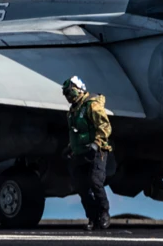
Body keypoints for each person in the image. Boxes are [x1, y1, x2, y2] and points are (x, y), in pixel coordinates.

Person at [63, 75, 111, 231]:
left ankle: (104, 212)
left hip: (97, 151)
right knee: (81, 186)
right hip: (80, 152)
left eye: (70, 92)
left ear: (78, 90)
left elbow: (104, 126)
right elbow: (76, 132)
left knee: (95, 181)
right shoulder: (73, 111)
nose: (68, 96)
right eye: (66, 93)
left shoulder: (92, 106)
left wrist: (96, 144)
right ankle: (92, 217)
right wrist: (71, 147)